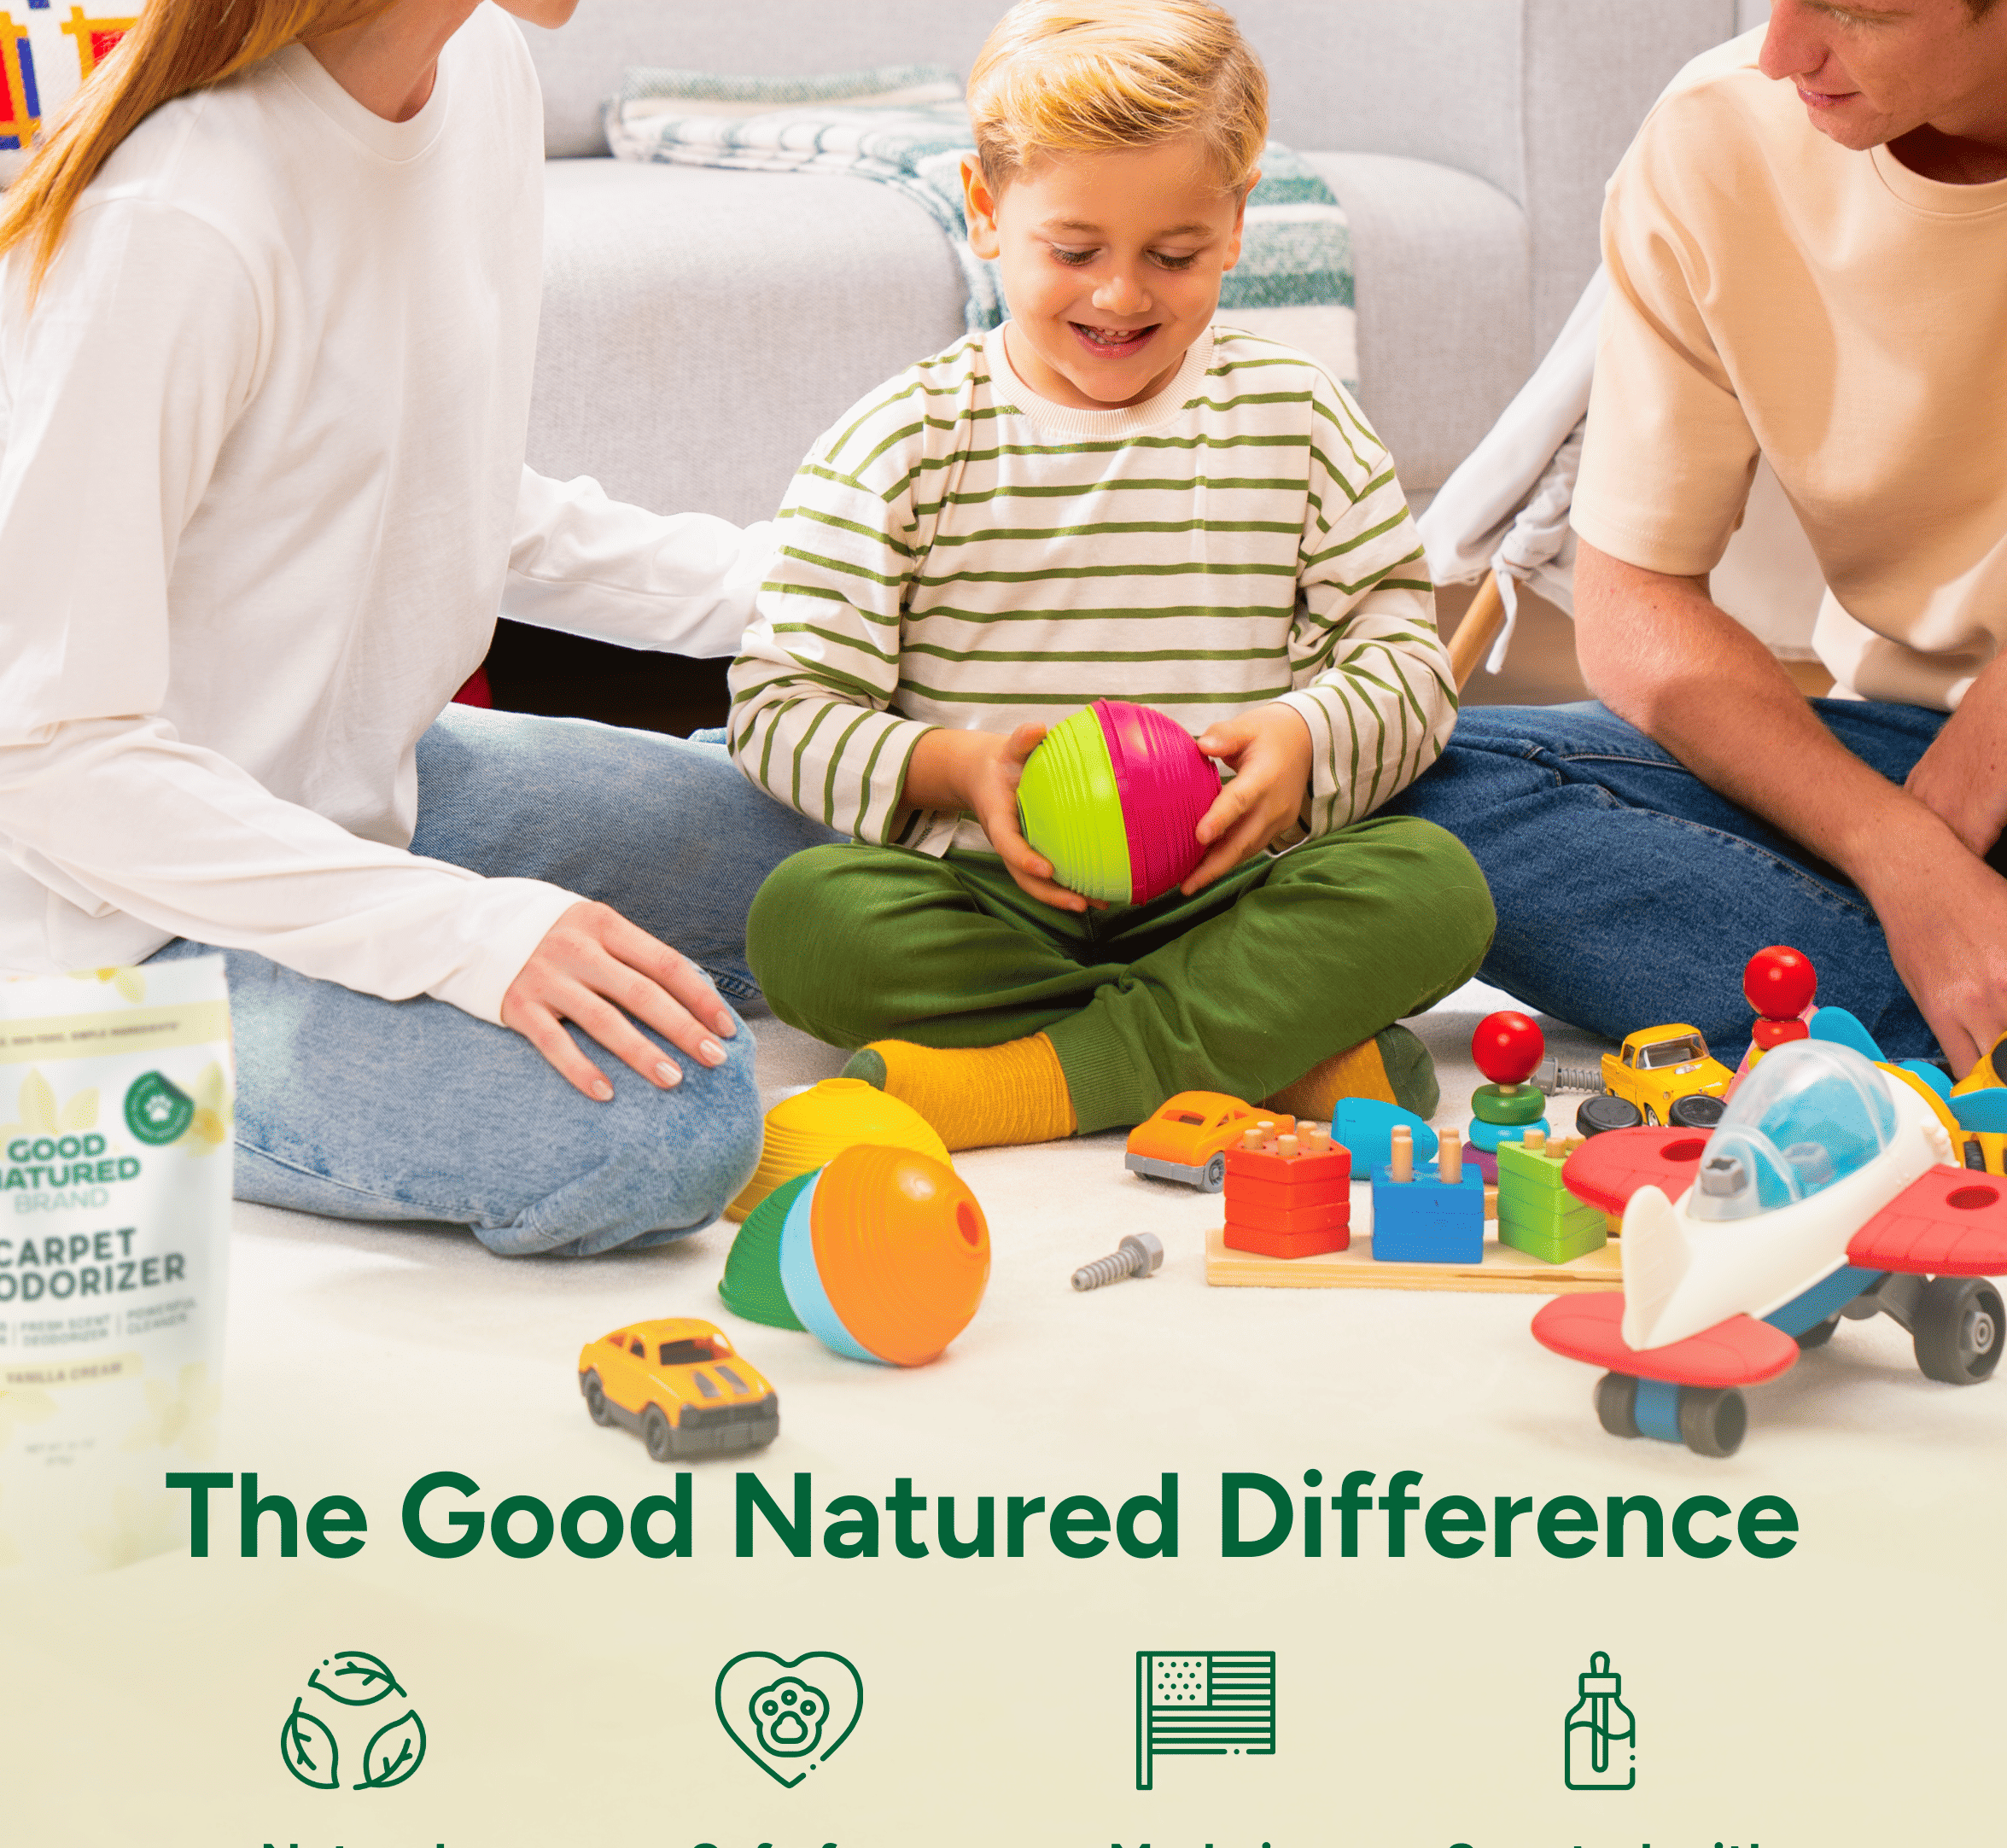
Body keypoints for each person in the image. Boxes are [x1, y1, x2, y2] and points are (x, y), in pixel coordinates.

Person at [0, 0, 833, 1255]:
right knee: (668, 1119)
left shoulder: (478, 73)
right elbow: (37, 747)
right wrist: (468, 930)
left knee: (821, 853)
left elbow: (450, 488)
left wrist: (821, 587)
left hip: (352, 806)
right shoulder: (178, 222)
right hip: (99, 929)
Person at [726, 0, 1491, 1152]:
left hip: (1231, 890)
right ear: (986, 212)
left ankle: (1042, 1079)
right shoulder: (905, 438)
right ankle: (1263, 1044)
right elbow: (776, 709)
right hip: (998, 899)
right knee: (809, 925)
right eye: (1074, 251)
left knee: (1435, 886)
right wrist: (956, 767)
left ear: (1236, 225)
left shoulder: (1299, 418)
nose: (1122, 296)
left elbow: (1405, 664)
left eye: (1173, 255)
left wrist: (1302, 737)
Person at [1391, 0, 2007, 1076]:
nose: (1783, 53)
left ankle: (1894, 1028)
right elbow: (1637, 603)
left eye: (1857, 13)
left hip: (1962, 766)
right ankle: (1950, 1011)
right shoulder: (1721, 134)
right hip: (1900, 757)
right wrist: (1900, 851)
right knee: (1402, 775)